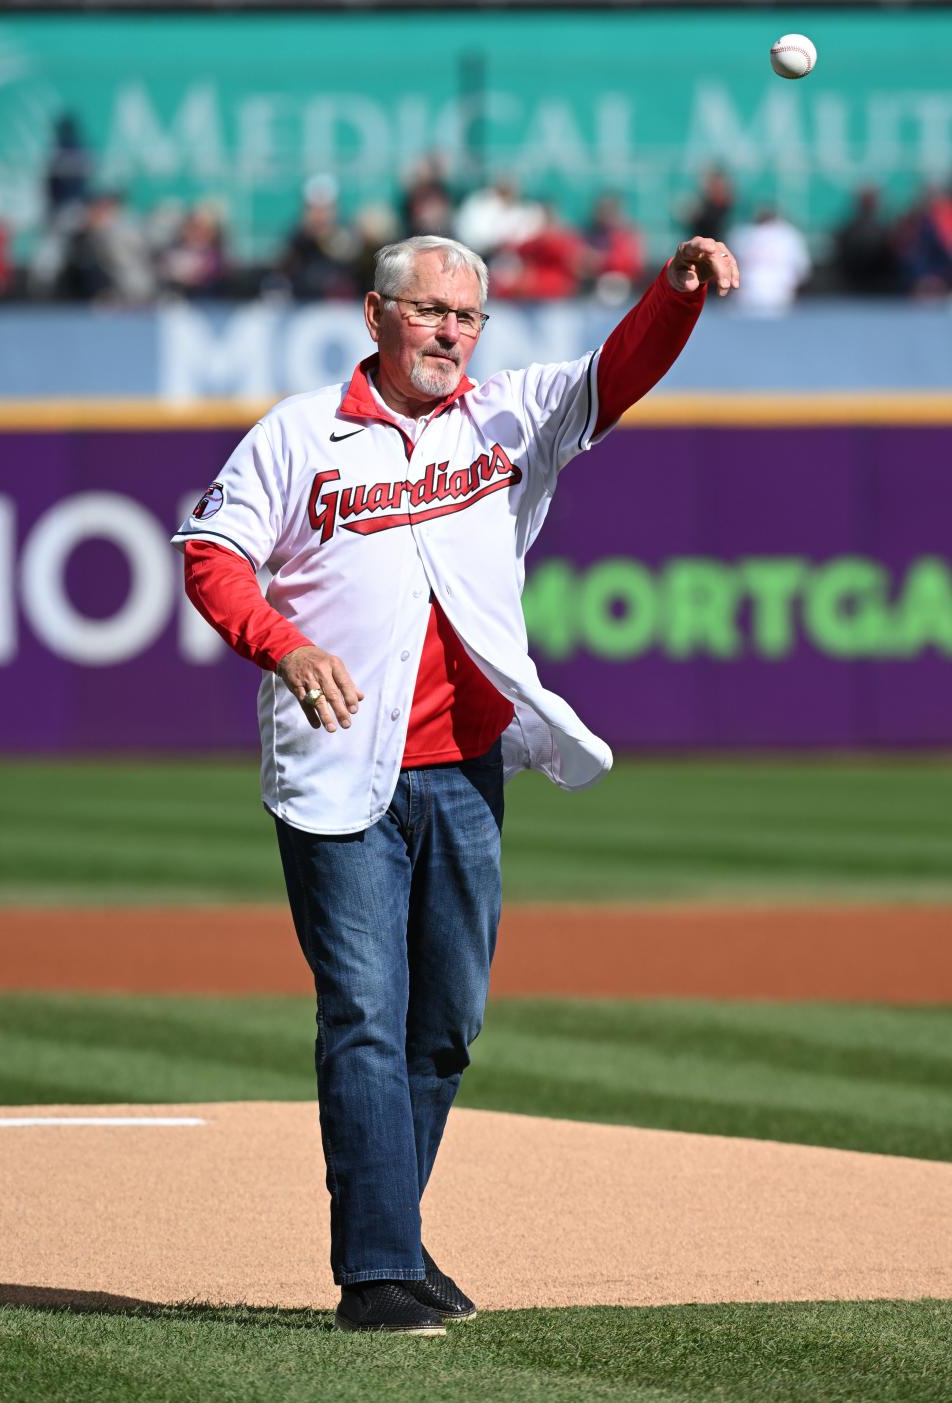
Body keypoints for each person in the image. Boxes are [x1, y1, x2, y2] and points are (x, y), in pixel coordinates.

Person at [172, 232, 739, 1334]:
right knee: (365, 1014)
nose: (449, 331)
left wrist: (673, 296)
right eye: (429, 310)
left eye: (467, 316)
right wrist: (282, 645)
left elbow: (613, 374)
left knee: (446, 1024)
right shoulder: (301, 432)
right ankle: (376, 1269)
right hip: (342, 771)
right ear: (376, 313)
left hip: (469, 766)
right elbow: (211, 551)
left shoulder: (504, 416)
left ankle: (398, 1234)